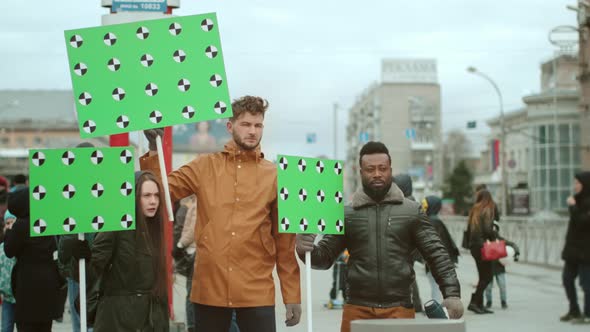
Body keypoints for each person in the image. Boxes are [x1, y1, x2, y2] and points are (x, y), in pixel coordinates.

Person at [143, 96, 301, 332]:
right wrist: (154, 150)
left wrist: (292, 295)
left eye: (258, 125)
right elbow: (160, 190)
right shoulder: (204, 166)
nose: (252, 131)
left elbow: (284, 243)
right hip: (210, 287)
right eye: (245, 124)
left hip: (256, 290)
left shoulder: (275, 175)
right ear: (230, 126)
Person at [295, 142, 463, 332]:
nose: (377, 174)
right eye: (370, 169)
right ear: (361, 172)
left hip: (399, 309)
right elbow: (324, 258)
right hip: (356, 310)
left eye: (382, 168)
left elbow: (436, 253)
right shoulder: (346, 214)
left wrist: (451, 294)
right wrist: (305, 249)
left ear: (390, 170)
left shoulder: (411, 211)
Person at [71, 171, 169, 331]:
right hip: (116, 320)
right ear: (134, 197)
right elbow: (88, 273)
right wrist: (81, 257)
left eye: (157, 195)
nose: (153, 201)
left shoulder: (154, 230)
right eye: (147, 195)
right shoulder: (116, 226)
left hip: (148, 320)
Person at [4, 187, 65, 332]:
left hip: (27, 285)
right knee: (44, 326)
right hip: (48, 282)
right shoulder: (44, 220)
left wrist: (9, 232)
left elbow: (9, 251)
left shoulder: (20, 225)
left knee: (26, 326)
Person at [560, 171, 590, 324]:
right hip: (573, 250)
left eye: (578, 183)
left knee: (586, 283)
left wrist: (572, 207)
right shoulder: (576, 200)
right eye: (574, 183)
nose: (575, 186)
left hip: (586, 251)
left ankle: (588, 313)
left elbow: (582, 222)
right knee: (567, 279)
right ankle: (574, 310)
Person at [393, 173, 423, 313]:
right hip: (411, 246)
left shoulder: (406, 204)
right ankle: (414, 303)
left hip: (407, 246)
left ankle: (413, 304)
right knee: (409, 275)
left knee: (407, 275)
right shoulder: (412, 202)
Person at [421, 195, 459, 304]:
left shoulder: (429, 221)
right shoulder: (435, 221)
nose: (423, 207)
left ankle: (436, 306)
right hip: (437, 261)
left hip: (435, 261)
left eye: (425, 205)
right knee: (436, 286)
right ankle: (437, 307)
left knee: (435, 285)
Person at [466, 189, 497, 314]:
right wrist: (494, 234)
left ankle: (479, 304)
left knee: (483, 276)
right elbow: (487, 229)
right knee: (487, 277)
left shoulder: (474, 209)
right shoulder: (487, 209)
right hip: (483, 247)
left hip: (474, 247)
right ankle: (474, 303)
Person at [484, 240, 520, 310]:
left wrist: (516, 253)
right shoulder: (486, 241)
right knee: (488, 287)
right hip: (488, 268)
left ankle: (503, 302)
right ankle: (489, 302)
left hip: (499, 268)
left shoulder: (500, 240)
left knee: (502, 285)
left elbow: (513, 244)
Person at [0, 211, 17, 332]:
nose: (10, 226)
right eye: (7, 223)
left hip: (22, 296)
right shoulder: (1, 249)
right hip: (7, 297)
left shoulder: (20, 246)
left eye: (12, 223)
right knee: (6, 327)